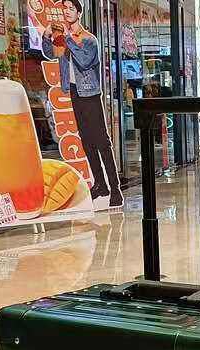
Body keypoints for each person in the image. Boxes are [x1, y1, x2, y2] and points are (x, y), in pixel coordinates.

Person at [42, 0, 122, 207]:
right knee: (86, 140)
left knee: (102, 141)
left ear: (79, 12)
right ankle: (100, 184)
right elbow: (51, 54)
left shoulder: (89, 39)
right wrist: (46, 35)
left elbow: (84, 61)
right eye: (65, 9)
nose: (67, 12)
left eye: (71, 8)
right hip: (75, 92)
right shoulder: (64, 38)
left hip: (90, 94)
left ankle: (115, 189)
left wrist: (66, 37)